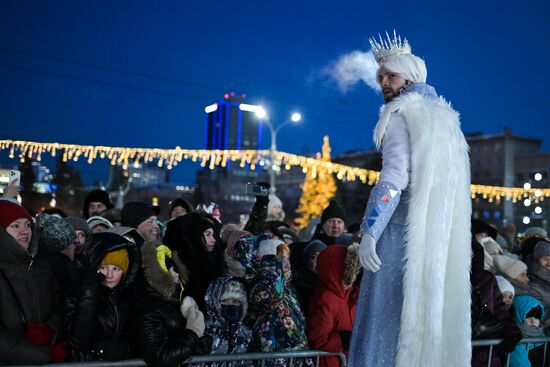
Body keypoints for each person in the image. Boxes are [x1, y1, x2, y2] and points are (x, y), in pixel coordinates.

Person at [350, 32, 472, 366]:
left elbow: (392, 180)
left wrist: (370, 231)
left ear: (410, 76)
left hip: (398, 236)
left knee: (384, 325)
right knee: (424, 327)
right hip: (436, 242)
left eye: (391, 75)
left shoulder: (400, 113)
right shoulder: (448, 120)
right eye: (380, 78)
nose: (384, 83)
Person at [0, 200, 67, 364]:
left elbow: (61, 308)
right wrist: (45, 355)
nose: (25, 231)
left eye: (28, 225)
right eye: (15, 226)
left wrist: (51, 329)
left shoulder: (42, 266)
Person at [132, 240, 210, 366]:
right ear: (156, 275)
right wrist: (193, 332)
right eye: (169, 269)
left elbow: (176, 340)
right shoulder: (148, 309)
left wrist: (202, 343)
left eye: (175, 269)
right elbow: (160, 356)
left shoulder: (172, 302)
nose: (176, 274)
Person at [65, 232, 140, 361]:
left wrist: (125, 348)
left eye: (116, 269)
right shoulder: (75, 294)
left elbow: (143, 338)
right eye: (104, 267)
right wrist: (88, 291)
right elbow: (78, 339)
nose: (109, 275)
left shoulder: (131, 295)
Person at [307, 244, 361, 367]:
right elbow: (317, 339)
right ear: (338, 268)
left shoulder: (350, 295)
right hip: (331, 362)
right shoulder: (326, 298)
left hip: (347, 360)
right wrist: (343, 339)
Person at [164, 212, 224, 313]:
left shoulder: (215, 262)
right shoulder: (186, 269)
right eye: (208, 234)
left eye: (213, 235)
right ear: (196, 238)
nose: (213, 240)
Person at [203, 276, 252, 362]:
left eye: (236, 301)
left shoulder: (246, 333)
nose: (231, 305)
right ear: (215, 302)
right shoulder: (203, 328)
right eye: (225, 300)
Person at [509, 296, 547, 367]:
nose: (533, 320)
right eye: (528, 316)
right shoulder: (515, 338)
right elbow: (520, 363)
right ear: (519, 315)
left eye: (536, 316)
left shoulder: (543, 337)